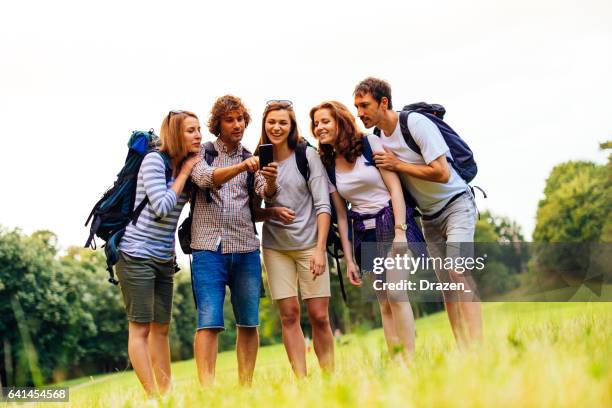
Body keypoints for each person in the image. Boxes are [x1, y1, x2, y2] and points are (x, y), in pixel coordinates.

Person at [353, 77, 482, 348]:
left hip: (457, 203)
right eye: (356, 107)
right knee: (447, 285)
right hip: (429, 217)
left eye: (365, 105)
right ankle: (463, 348)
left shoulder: (415, 124)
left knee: (458, 271)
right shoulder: (377, 138)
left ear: (383, 102)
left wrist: (397, 164)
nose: (360, 113)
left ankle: (478, 347)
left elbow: (442, 172)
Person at [309, 100, 425, 360]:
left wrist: (399, 232)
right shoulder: (327, 162)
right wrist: (349, 258)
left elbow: (395, 189)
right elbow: (341, 214)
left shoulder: (370, 145)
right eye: (316, 124)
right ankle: (397, 360)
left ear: (340, 120)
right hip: (364, 232)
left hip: (391, 222)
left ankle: (410, 359)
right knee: (383, 301)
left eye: (325, 121)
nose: (319, 128)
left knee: (396, 293)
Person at [190, 95, 279, 387]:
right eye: (230, 119)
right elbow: (205, 179)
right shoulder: (202, 153)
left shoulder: (249, 157)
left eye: (241, 119)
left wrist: (271, 178)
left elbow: (264, 191)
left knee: (249, 322)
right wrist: (244, 168)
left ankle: (246, 388)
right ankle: (208, 391)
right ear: (218, 124)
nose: (237, 124)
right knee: (209, 322)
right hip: (207, 249)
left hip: (245, 249)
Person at [116, 110, 202, 397]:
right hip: (136, 254)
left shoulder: (185, 167)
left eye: (199, 129)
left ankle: (167, 394)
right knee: (140, 329)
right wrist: (186, 172)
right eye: (191, 130)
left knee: (161, 328)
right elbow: (162, 207)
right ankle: (153, 397)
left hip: (164, 258)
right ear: (176, 134)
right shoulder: (154, 161)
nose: (198, 135)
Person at [255, 100, 334, 377]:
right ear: (265, 125)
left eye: (282, 123)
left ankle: (329, 377)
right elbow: (255, 209)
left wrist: (320, 249)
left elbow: (323, 205)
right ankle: (301, 380)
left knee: (319, 315)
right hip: (276, 248)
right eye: (271, 122)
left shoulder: (306, 156)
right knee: (288, 315)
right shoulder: (258, 160)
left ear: (291, 126)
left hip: (310, 244)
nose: (276, 127)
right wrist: (272, 207)